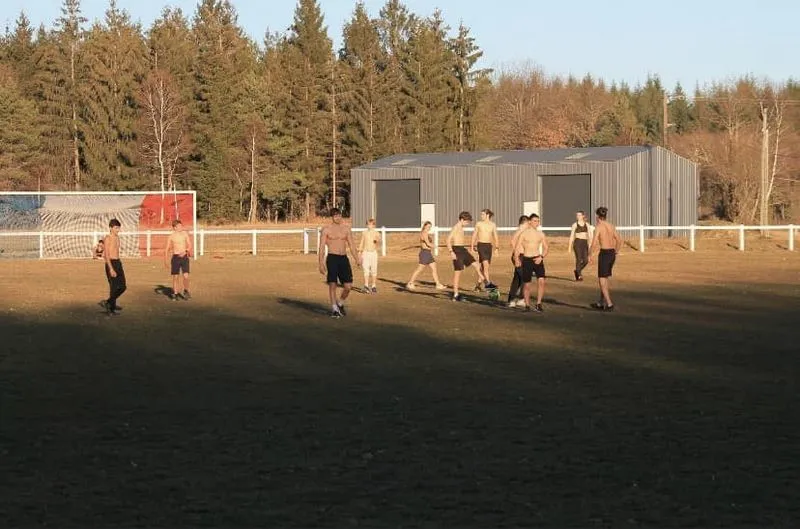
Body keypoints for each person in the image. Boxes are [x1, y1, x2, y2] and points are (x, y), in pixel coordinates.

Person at [319, 208, 360, 318]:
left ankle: (340, 303)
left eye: (339, 215)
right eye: (335, 216)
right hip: (332, 258)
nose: (337, 217)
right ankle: (334, 309)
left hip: (343, 258)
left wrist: (357, 258)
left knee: (348, 286)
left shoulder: (346, 229)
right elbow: (322, 247)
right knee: (333, 284)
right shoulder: (326, 230)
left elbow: (351, 245)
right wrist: (321, 263)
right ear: (332, 217)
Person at [446, 211, 485, 302]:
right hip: (457, 251)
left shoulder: (461, 227)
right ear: (462, 219)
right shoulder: (456, 227)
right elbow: (448, 240)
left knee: (477, 265)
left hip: (463, 250)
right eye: (467, 222)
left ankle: (482, 278)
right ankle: (455, 295)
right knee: (457, 273)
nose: (467, 224)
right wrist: (451, 252)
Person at [513, 213, 549, 312]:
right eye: (534, 221)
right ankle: (527, 305)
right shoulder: (524, 234)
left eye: (538, 221)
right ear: (530, 222)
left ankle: (538, 304)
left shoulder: (541, 234)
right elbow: (517, 247)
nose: (537, 223)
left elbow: (546, 248)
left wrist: (541, 257)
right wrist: (516, 259)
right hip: (527, 260)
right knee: (527, 284)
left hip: (537, 259)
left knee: (541, 281)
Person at [588, 206, 622, 311]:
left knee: (602, 280)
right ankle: (600, 302)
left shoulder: (599, 227)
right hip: (612, 253)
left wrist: (590, 254)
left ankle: (609, 304)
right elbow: (620, 240)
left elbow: (594, 243)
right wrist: (616, 251)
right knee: (605, 278)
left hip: (604, 253)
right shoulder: (611, 226)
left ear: (597, 216)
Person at [406, 221, 446, 291]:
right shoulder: (424, 233)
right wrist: (437, 247)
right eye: (428, 227)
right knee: (419, 269)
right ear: (424, 226)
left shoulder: (426, 233)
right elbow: (428, 244)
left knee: (434, 268)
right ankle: (410, 283)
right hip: (424, 253)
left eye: (430, 227)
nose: (429, 228)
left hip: (428, 253)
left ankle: (438, 284)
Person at [100, 218, 126, 316]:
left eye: (118, 228)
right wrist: (111, 268)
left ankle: (109, 302)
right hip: (111, 263)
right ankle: (111, 308)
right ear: (111, 228)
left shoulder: (117, 238)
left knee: (123, 286)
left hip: (118, 262)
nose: (118, 230)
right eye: (116, 228)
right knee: (114, 287)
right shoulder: (107, 238)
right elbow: (106, 254)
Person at [471, 209, 499, 289]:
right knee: (486, 266)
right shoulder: (479, 224)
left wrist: (497, 248)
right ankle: (489, 286)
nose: (481, 216)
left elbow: (495, 236)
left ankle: (478, 285)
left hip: (489, 246)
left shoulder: (493, 225)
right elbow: (474, 235)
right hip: (481, 245)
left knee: (484, 267)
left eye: (483, 214)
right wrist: (472, 247)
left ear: (487, 215)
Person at [165, 219, 193, 300]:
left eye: (181, 226)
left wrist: (186, 251)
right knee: (175, 277)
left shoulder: (185, 234)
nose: (181, 227)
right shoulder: (171, 236)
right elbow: (166, 249)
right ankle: (175, 293)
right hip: (175, 258)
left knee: (186, 276)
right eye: (179, 226)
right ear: (175, 227)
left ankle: (186, 291)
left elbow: (189, 245)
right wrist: (165, 261)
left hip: (184, 257)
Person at [506, 215, 531, 308]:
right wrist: (516, 252)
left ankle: (513, 299)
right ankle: (519, 299)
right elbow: (512, 241)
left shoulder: (524, 231)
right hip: (518, 256)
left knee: (517, 279)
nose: (529, 225)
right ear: (524, 222)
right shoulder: (520, 231)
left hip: (523, 256)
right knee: (524, 277)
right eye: (528, 223)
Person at [567, 210, 594, 281]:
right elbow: (572, 236)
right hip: (577, 243)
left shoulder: (587, 225)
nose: (577, 217)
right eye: (577, 215)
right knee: (579, 259)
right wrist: (569, 247)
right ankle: (579, 275)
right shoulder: (575, 225)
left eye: (579, 215)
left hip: (585, 243)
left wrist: (590, 245)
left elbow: (590, 236)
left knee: (586, 260)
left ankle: (577, 271)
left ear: (583, 216)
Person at [358, 218, 380, 294]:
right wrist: (360, 253)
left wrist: (376, 241)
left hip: (373, 253)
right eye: (368, 224)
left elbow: (378, 242)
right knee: (366, 269)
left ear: (374, 225)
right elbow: (362, 242)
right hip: (365, 252)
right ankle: (366, 285)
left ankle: (373, 286)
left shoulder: (376, 233)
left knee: (374, 270)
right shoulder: (364, 233)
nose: (370, 226)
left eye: (371, 224)